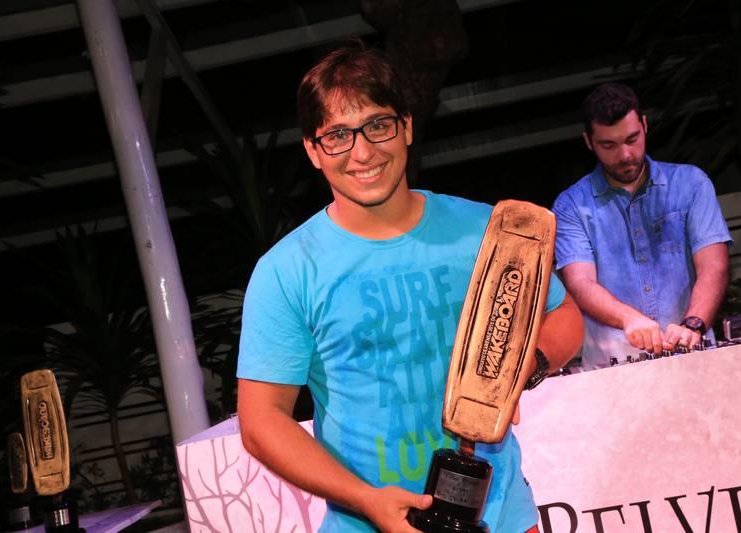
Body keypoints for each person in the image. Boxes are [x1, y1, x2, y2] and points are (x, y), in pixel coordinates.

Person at [236, 41, 583, 533]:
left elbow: (565, 317)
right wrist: (366, 500)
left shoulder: (486, 231)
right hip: (365, 523)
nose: (362, 152)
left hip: (502, 515)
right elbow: (261, 421)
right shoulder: (287, 271)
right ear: (313, 150)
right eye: (337, 135)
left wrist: (528, 363)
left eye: (378, 125)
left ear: (407, 127)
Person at [552, 82, 732, 370]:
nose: (625, 154)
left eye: (632, 139)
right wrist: (628, 318)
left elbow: (713, 265)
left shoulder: (691, 184)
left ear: (645, 126)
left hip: (693, 359)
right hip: (613, 373)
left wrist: (693, 324)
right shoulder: (571, 205)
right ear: (589, 141)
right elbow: (580, 283)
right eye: (608, 145)